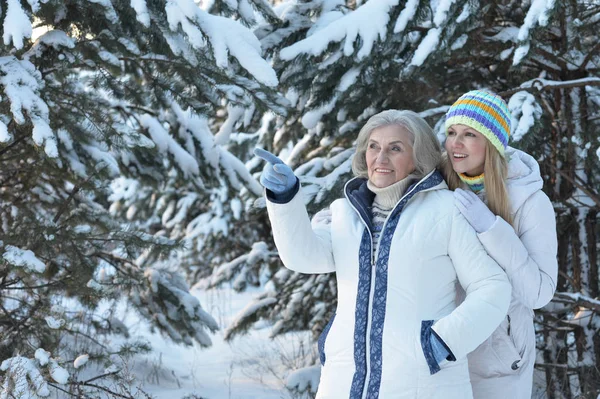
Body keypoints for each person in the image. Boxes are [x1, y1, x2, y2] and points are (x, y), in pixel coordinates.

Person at [254, 110, 511, 399]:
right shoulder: (345, 213)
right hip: (344, 379)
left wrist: (441, 343)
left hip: (421, 383)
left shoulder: (446, 211)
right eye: (374, 146)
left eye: (395, 148)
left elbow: (493, 287)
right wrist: (285, 199)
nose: (381, 157)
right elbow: (303, 257)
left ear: (419, 156)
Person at [443, 90, 558, 399]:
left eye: (469, 134)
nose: (455, 143)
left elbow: (539, 293)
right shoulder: (439, 186)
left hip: (498, 359)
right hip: (442, 352)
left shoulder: (530, 202)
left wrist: (492, 229)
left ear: (492, 142)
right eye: (451, 132)